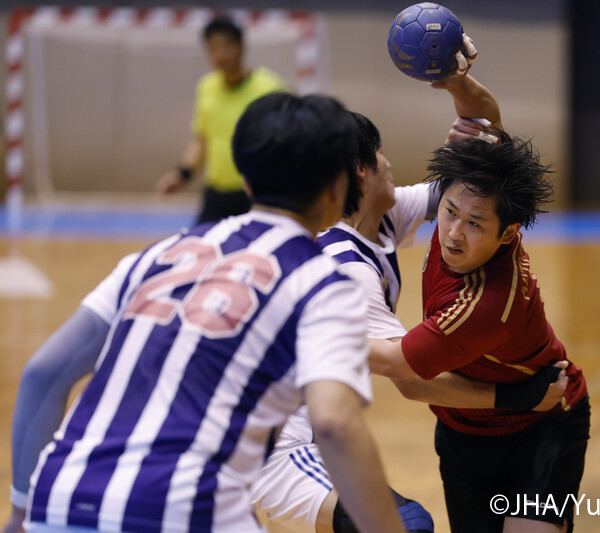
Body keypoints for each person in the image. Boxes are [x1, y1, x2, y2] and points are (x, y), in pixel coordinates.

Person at [1, 92, 405, 533]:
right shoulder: (323, 283)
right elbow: (334, 423)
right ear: (338, 186)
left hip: (58, 502)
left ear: (246, 181)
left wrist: (21, 512)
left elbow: (42, 373)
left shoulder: (156, 256)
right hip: (181, 513)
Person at [252, 39, 570, 533]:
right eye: (380, 154)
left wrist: (456, 84)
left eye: (470, 221)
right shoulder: (348, 270)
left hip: (327, 427)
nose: (454, 228)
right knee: (407, 525)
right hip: (284, 442)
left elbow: (486, 147)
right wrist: (516, 398)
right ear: (362, 171)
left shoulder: (381, 215)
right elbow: (410, 377)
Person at [368, 79, 591, 532]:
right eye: (449, 212)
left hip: (543, 423)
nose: (453, 233)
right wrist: (456, 81)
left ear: (508, 233)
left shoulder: (483, 305)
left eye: (474, 224)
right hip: (463, 433)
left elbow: (405, 376)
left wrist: (302, 320)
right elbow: (485, 114)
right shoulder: (479, 196)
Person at [156, 14, 286, 224]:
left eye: (227, 46)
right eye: (213, 48)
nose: (220, 55)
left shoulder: (269, 89)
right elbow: (201, 139)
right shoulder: (206, 87)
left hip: (256, 195)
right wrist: (182, 174)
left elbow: (286, 144)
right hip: (216, 196)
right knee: (198, 244)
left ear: (241, 47)